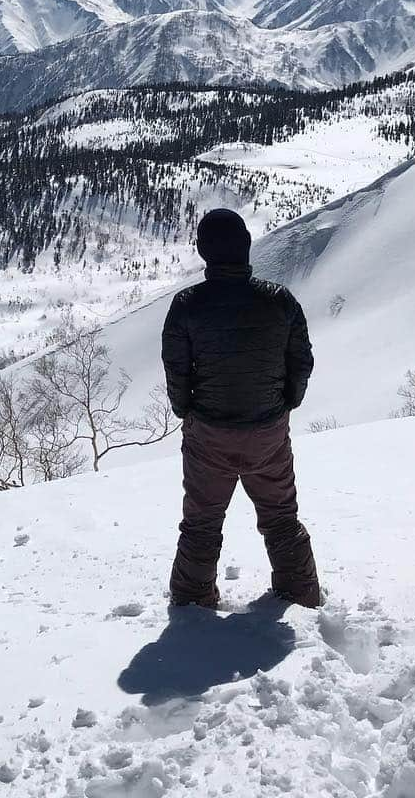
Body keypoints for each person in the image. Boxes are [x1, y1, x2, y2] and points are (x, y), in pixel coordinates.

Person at [161, 209, 321, 609]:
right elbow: (300, 362)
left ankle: (192, 606)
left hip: (208, 433)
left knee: (201, 523)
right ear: (246, 247)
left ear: (203, 252)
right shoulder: (279, 301)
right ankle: (301, 596)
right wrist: (285, 403)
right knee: (281, 517)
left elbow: (177, 368)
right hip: (267, 430)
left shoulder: (187, 305)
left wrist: (187, 410)